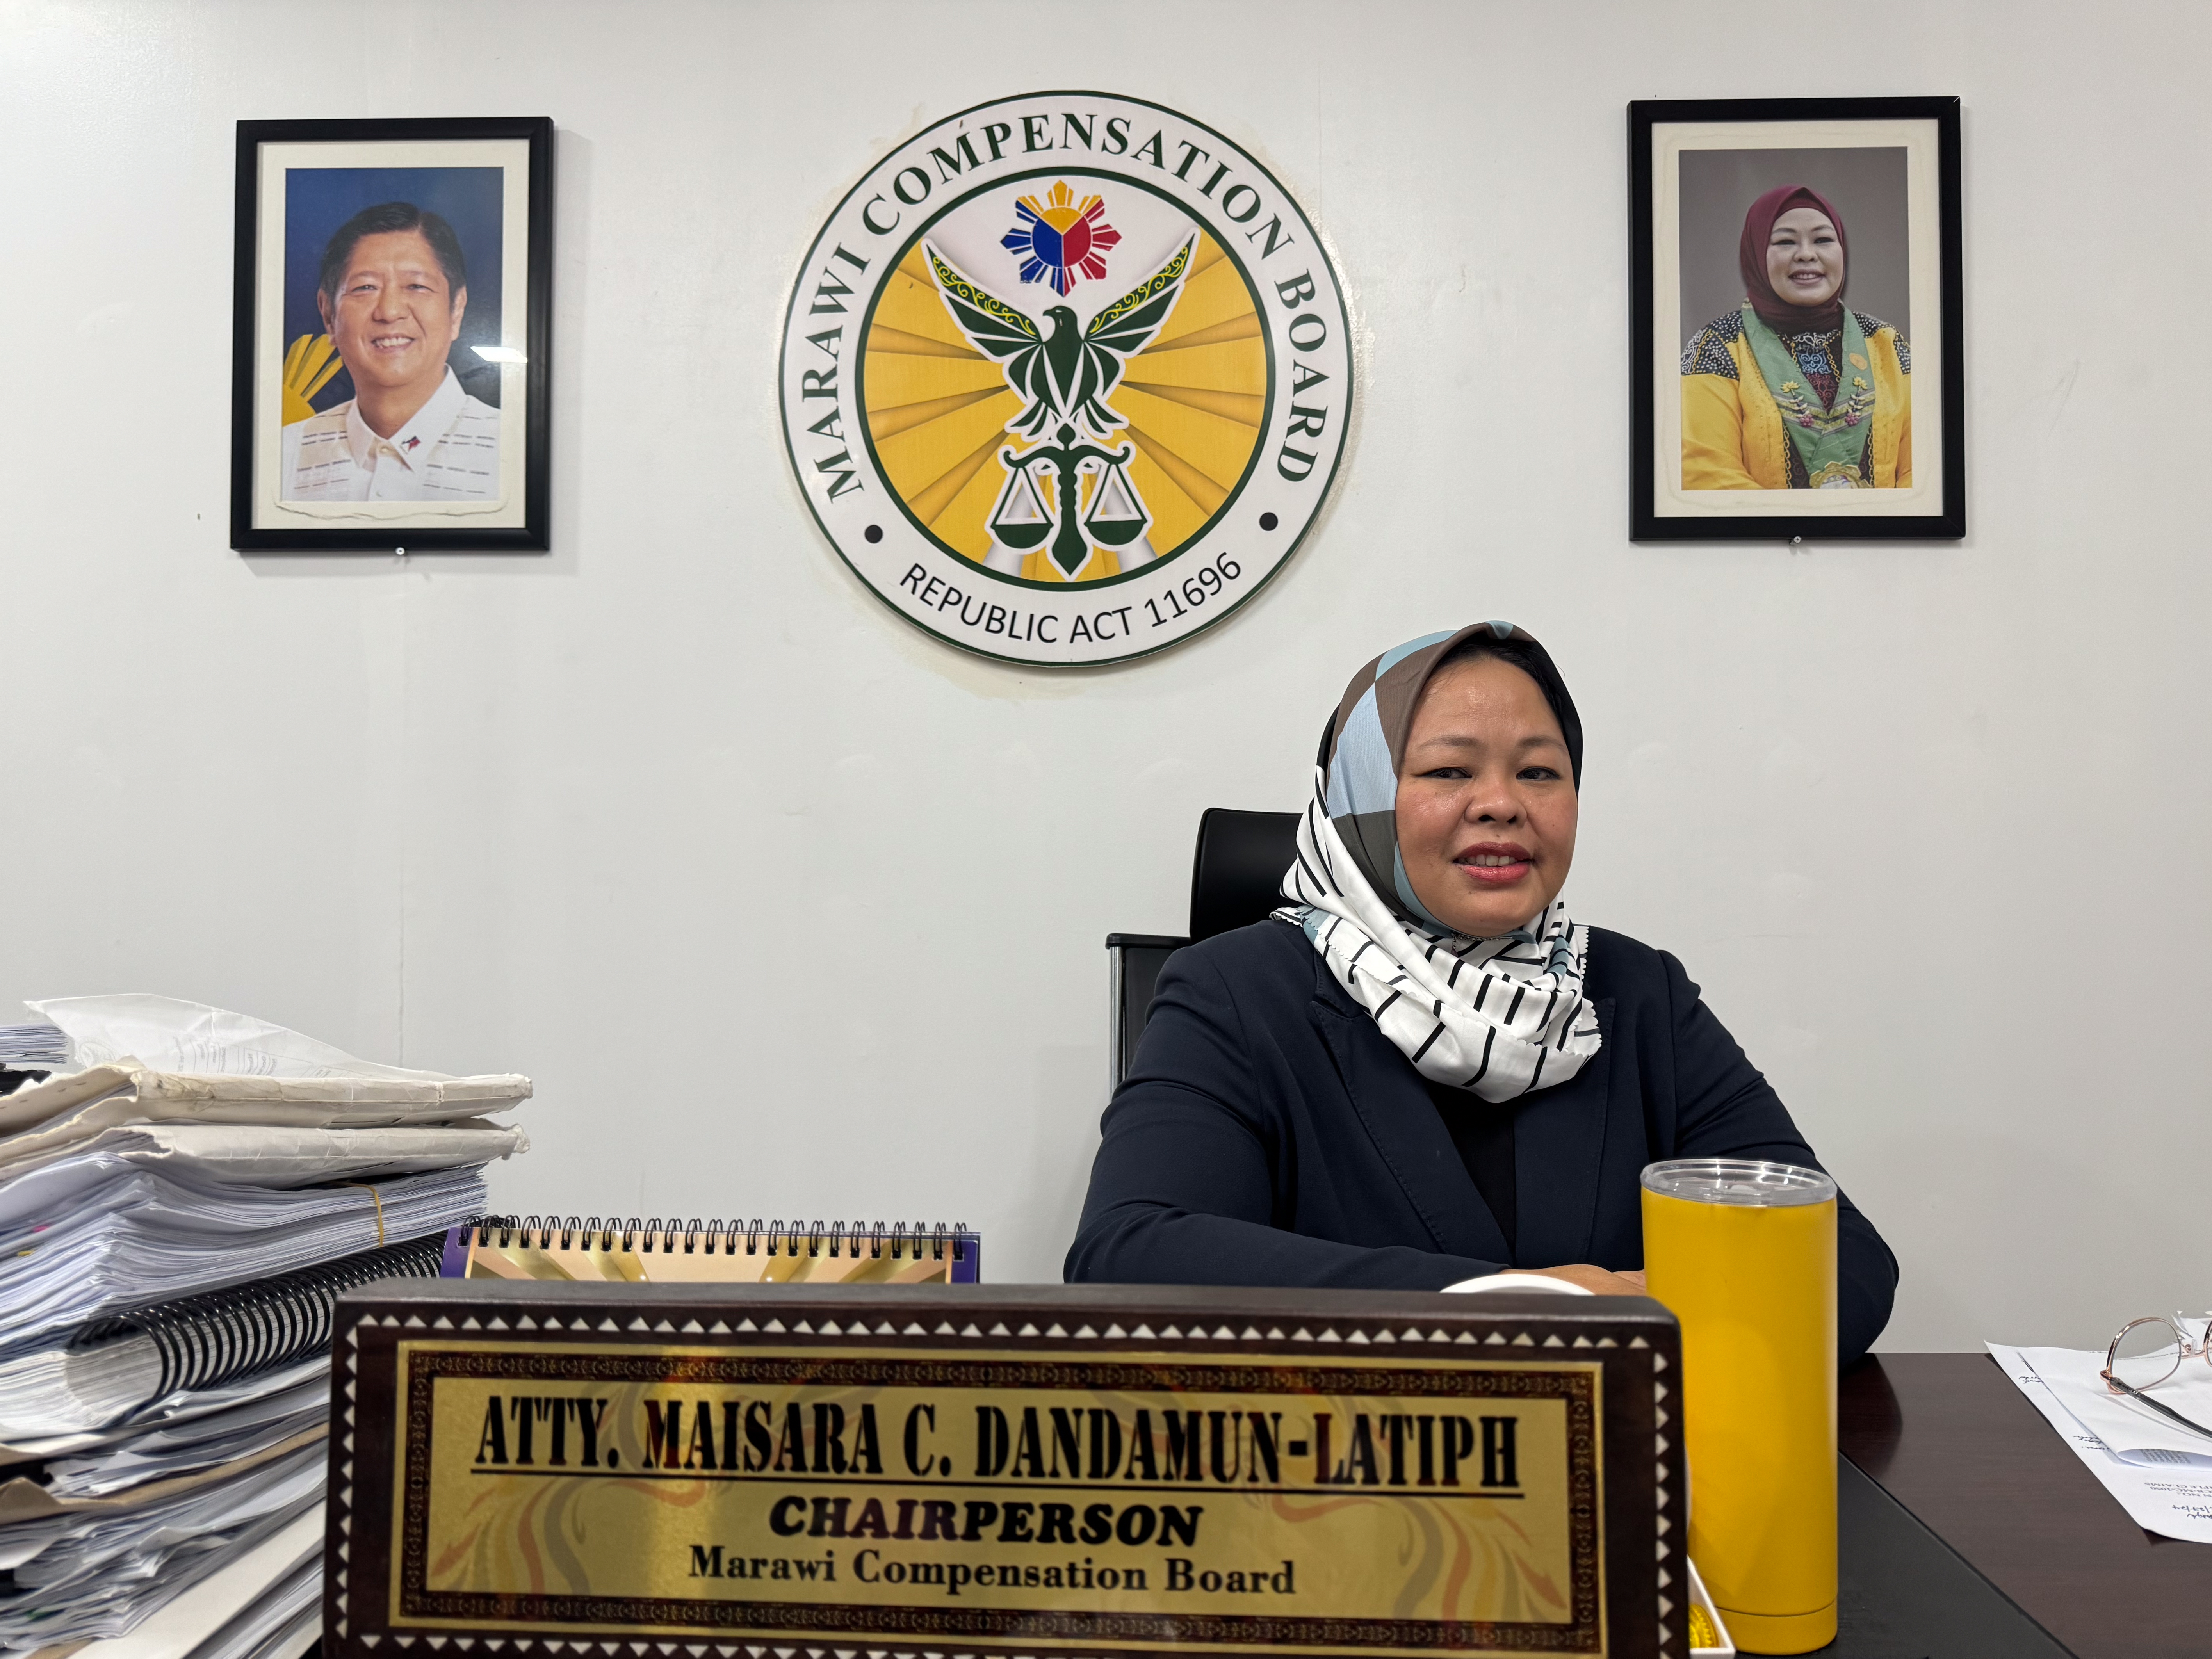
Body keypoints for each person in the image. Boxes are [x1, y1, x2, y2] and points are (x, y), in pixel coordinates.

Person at [1066, 623, 1897, 1365]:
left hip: (1613, 1490)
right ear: (1358, 801)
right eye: (1448, 770)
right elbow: (1131, 1254)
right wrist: (1532, 1310)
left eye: (1539, 771)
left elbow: (1842, 1263)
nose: (1501, 804)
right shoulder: (1235, 992)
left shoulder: (1637, 994)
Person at [1681, 183, 1911, 491]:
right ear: (1756, 252)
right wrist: (1796, 534)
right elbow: (1706, 475)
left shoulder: (1886, 343)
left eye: (1823, 240)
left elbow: (1924, 472)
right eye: (1786, 242)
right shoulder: (1717, 346)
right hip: (1765, 540)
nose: (1806, 254)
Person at [280, 201, 499, 502]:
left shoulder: (515, 451)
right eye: (366, 288)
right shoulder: (283, 457)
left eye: (417, 286)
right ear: (329, 314)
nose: (390, 311)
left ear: (457, 309)